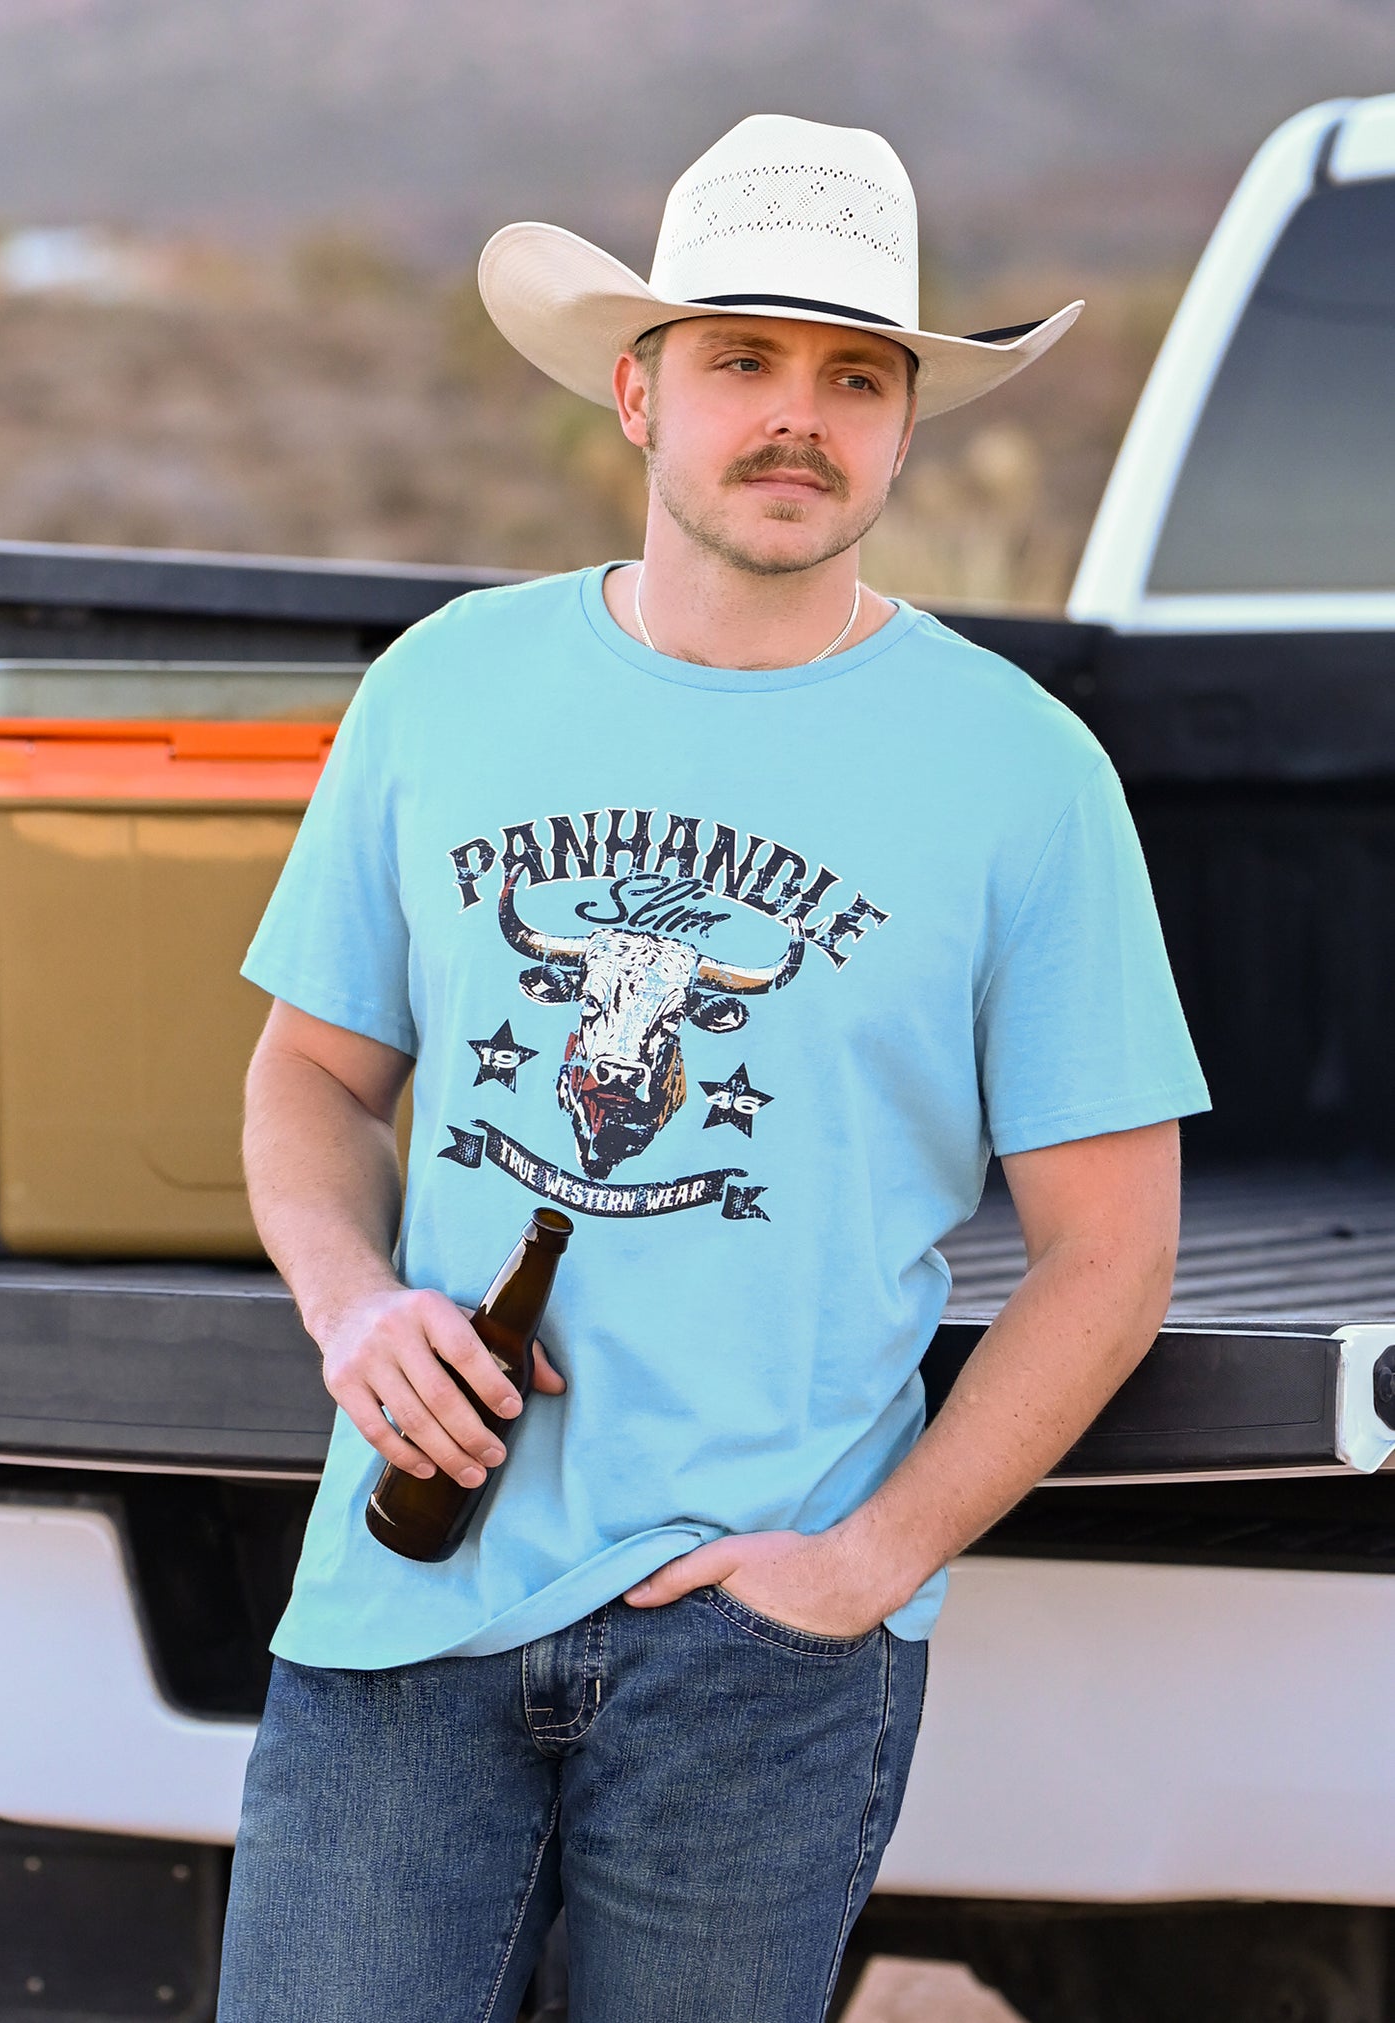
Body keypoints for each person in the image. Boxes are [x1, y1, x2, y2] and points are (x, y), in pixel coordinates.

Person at [216, 113, 1210, 2023]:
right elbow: (309, 1081)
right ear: (636, 390)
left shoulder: (1023, 774)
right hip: (407, 1582)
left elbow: (1112, 1252)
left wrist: (865, 1565)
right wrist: (351, 1314)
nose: (794, 417)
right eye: (739, 361)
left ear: (906, 424)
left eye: (854, 376)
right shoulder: (448, 686)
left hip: (763, 1638)